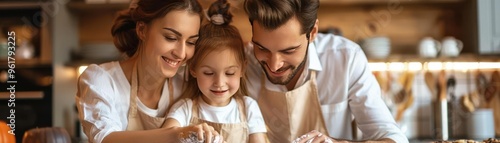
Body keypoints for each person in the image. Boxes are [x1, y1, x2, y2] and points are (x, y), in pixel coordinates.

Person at [243, 0, 409, 143]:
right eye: (261, 48)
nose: (274, 65)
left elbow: (394, 137)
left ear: (313, 32)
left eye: (289, 51)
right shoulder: (240, 65)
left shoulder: (346, 58)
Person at [75, 0, 224, 142]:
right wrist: (177, 134)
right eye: (171, 38)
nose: (181, 53)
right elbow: (106, 139)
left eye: (191, 42)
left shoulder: (187, 84)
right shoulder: (102, 80)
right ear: (142, 30)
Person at [163, 0, 268, 143]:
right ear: (193, 69)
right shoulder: (185, 109)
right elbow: (163, 137)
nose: (219, 83)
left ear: (242, 69)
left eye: (230, 73)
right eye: (208, 73)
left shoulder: (248, 108)